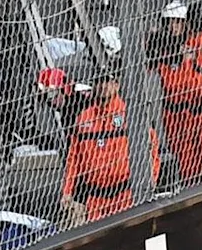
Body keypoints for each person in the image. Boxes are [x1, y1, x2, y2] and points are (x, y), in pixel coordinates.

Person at [147, 0, 202, 181]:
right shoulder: (171, 46)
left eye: (178, 21)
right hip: (181, 114)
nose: (173, 26)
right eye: (169, 22)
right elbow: (150, 68)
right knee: (189, 173)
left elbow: (197, 85)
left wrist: (185, 60)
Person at [62, 74, 150, 224]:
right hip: (95, 196)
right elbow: (73, 158)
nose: (103, 86)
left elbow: (150, 146)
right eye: (99, 81)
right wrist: (67, 190)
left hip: (125, 193)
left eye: (108, 82)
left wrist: (151, 177)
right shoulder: (84, 118)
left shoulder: (129, 113)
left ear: (117, 85)